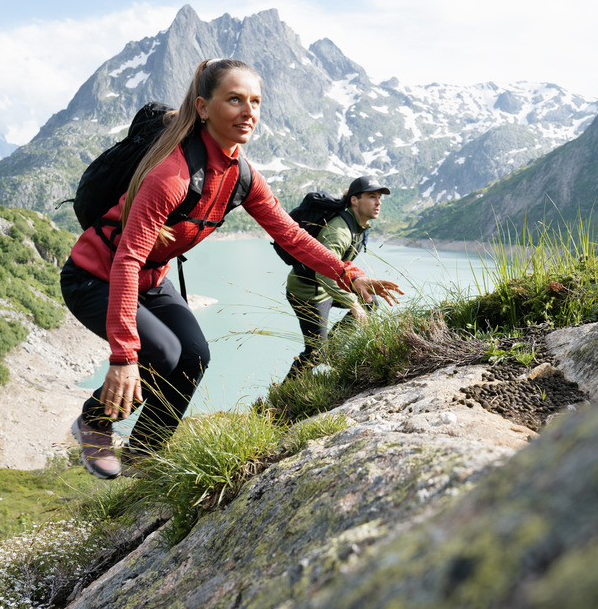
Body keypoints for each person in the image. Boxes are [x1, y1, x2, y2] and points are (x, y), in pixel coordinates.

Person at [61, 58, 404, 479]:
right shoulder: (171, 173)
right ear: (203, 108)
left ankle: (143, 460)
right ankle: (94, 421)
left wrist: (350, 274)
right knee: (163, 354)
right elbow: (127, 259)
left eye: (256, 102)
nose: (249, 112)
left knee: (194, 357)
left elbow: (292, 236)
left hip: (152, 278)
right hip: (96, 276)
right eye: (235, 100)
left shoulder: (240, 174)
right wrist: (123, 356)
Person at [284, 175, 389, 380]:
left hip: (328, 286)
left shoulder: (358, 225)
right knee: (316, 352)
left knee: (371, 301)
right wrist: (353, 304)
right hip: (308, 292)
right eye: (372, 196)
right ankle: (281, 396)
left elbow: (340, 266)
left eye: (379, 198)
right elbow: (323, 273)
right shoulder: (340, 231)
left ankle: (334, 349)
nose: (378, 202)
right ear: (354, 200)